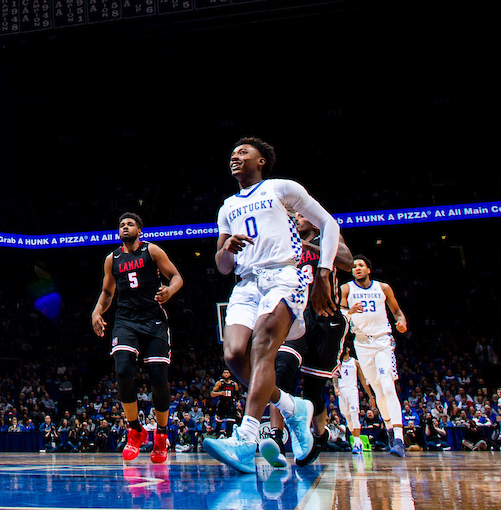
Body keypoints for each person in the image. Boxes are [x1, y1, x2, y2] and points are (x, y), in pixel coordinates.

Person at [204, 137, 341, 474]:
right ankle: (292, 406)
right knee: (235, 355)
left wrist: (323, 272)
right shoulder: (226, 207)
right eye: (233, 153)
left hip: (284, 276)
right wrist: (227, 249)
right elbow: (222, 265)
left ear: (261, 160)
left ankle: (246, 440)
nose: (235, 157)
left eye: (243, 153)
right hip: (246, 283)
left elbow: (329, 224)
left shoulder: (282, 188)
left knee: (262, 347)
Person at [91, 213, 183, 464]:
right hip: (125, 320)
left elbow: (176, 277)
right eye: (121, 224)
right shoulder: (112, 259)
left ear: (140, 230)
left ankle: (162, 435)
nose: (125, 227)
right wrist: (97, 312)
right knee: (122, 371)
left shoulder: (152, 251)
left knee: (157, 378)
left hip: (153, 318)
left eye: (130, 224)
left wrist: (170, 290)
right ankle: (135, 430)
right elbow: (107, 293)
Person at [268, 212, 353, 465]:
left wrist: (311, 245)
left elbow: (348, 262)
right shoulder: (286, 241)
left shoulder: (329, 236)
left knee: (313, 391)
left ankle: (319, 435)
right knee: (280, 371)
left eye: (301, 215)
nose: (296, 218)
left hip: (325, 318)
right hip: (295, 314)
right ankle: (276, 436)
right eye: (293, 216)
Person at [341, 254, 408, 456]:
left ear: (369, 269)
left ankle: (399, 438)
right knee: (378, 390)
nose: (357, 269)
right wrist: (349, 311)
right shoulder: (346, 289)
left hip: (382, 341)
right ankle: (389, 431)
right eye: (354, 267)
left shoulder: (383, 288)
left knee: (388, 385)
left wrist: (402, 321)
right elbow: (340, 315)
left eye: (360, 265)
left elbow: (397, 312)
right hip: (361, 343)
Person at [334, 340, 373, 453]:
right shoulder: (338, 363)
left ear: (348, 349)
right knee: (347, 417)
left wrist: (370, 395)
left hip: (352, 389)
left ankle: (356, 442)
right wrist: (336, 388)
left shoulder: (355, 362)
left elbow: (363, 380)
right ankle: (357, 441)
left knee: (354, 414)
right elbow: (334, 377)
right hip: (342, 391)